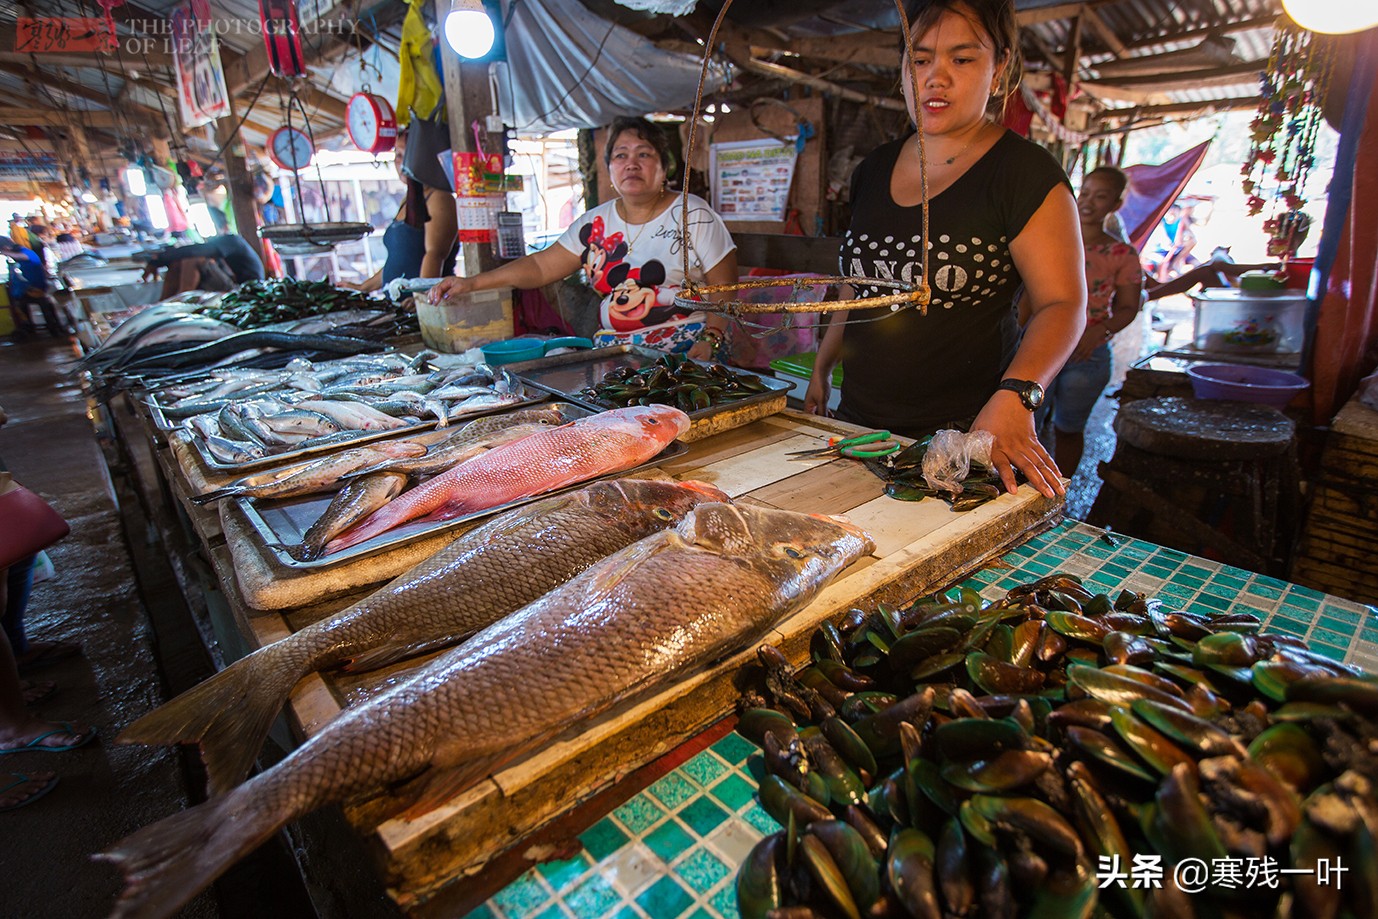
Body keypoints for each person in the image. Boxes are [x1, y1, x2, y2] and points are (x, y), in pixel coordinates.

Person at [804, 0, 1085, 499]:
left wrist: (1018, 396)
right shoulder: (873, 168)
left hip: (967, 439)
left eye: (962, 59)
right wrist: (823, 370)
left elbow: (1062, 304)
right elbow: (855, 283)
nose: (936, 77)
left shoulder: (1024, 174)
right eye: (920, 59)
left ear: (998, 70)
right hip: (861, 430)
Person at [428, 116, 738, 360]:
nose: (631, 163)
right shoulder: (595, 222)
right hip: (618, 355)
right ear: (609, 169)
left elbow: (726, 287)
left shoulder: (693, 212)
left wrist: (712, 337)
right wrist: (471, 283)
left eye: (644, 154)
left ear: (664, 167)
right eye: (620, 155)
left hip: (691, 349)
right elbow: (539, 267)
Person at [1037, 166, 1144, 477]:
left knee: (1068, 430)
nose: (1087, 202)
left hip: (1087, 352)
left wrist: (1096, 332)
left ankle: (1060, 493)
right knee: (1025, 425)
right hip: (1040, 345)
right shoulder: (1049, 239)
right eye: (1084, 192)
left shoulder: (1121, 253)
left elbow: (1128, 307)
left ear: (1115, 205)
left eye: (1101, 197)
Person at [341, 128, 458, 292]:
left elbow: (435, 255)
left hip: (425, 306)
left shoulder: (439, 198)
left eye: (409, 155)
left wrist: (420, 297)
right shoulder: (408, 200)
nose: (402, 163)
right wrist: (363, 287)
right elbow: (398, 261)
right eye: (398, 155)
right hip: (401, 306)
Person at [139, 232, 265, 292]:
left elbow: (195, 252)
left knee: (194, 260)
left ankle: (181, 301)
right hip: (232, 282)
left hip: (245, 289)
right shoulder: (223, 242)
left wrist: (157, 261)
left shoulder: (232, 240)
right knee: (178, 262)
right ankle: (164, 302)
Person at [2, 240, 65, 339]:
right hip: (30, 289)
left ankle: (51, 329)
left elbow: (25, 257)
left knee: (19, 305)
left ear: (6, 248)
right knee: (21, 305)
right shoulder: (20, 255)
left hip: (36, 289)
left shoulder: (26, 253)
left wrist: (4, 253)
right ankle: (33, 328)